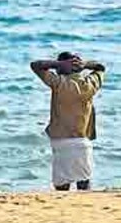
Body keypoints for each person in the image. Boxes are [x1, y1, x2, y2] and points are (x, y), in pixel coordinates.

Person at [31, 52, 106, 191]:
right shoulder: (89, 84)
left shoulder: (59, 83)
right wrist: (85, 65)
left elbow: (35, 65)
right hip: (82, 140)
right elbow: (101, 68)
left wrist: (59, 64)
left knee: (61, 185)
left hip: (60, 141)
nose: (56, 70)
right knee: (84, 182)